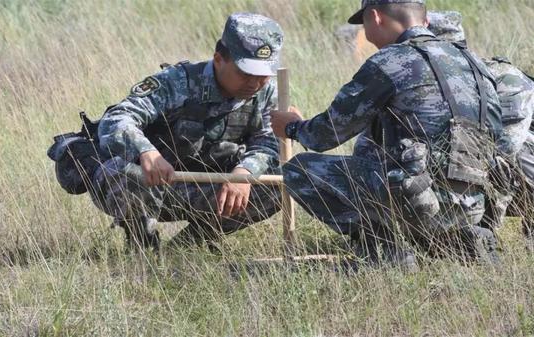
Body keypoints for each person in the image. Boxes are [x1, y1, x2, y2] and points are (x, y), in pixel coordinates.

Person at [270, 0, 503, 266]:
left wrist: (292, 127)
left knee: (299, 170)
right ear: (424, 21)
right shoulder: (473, 62)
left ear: (375, 17)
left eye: (365, 25)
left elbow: (326, 135)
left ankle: (387, 252)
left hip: (419, 202)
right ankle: (456, 240)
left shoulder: (391, 61)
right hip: (475, 203)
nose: (368, 37)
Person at [49, 13, 284, 251]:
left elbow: (268, 142)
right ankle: (143, 247)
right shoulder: (177, 82)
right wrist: (146, 153)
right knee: (124, 173)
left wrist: (243, 174)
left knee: (281, 181)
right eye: (246, 73)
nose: (255, 83)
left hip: (206, 185)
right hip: (150, 184)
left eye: (263, 75)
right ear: (218, 59)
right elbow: (116, 120)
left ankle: (186, 248)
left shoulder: (265, 93)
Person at [427, 10, 534, 251]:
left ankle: (482, 236)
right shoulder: (429, 84)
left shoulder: (503, 76)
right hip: (480, 175)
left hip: (517, 168)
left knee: (514, 149)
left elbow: (504, 151)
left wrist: (485, 230)